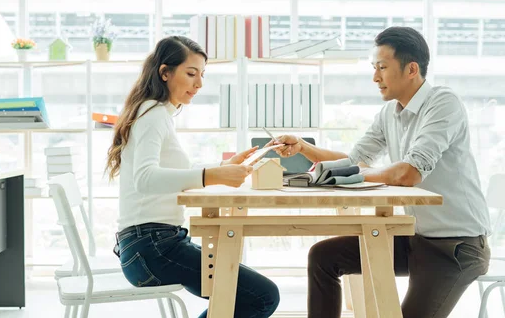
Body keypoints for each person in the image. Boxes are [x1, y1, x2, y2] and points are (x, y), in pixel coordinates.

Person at [272, 26, 490, 318]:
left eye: (383, 67)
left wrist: (350, 174)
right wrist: (302, 147)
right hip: (416, 239)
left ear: (411, 69)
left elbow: (408, 174)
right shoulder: (390, 113)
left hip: (456, 248)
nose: (375, 77)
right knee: (324, 256)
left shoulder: (442, 103)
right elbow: (354, 159)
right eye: (374, 68)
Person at [105, 36, 280, 318]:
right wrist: (212, 175)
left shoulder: (155, 112)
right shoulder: (153, 113)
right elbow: (145, 179)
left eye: (202, 75)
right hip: (152, 247)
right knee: (261, 295)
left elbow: (168, 172)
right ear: (165, 72)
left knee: (247, 295)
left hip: (152, 244)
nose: (199, 84)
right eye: (191, 73)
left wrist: (221, 169)